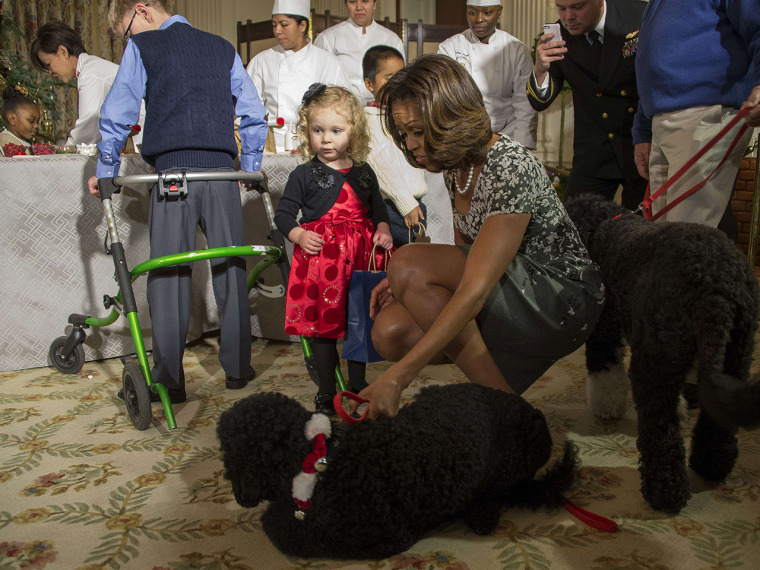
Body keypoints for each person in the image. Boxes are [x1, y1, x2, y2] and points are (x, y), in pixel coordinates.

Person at [353, 54, 604, 419]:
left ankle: (506, 411)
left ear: (451, 116)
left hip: (562, 298)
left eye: (419, 131)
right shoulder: (457, 165)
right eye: (404, 133)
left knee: (406, 262)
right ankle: (499, 394)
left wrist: (399, 377)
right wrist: (408, 285)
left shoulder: (509, 164)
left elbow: (473, 289)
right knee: (389, 331)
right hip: (516, 291)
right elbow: (465, 253)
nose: (411, 145)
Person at [86, 0, 268, 403]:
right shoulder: (223, 48)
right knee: (230, 266)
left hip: (172, 175)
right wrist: (251, 168)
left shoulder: (144, 48)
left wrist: (106, 169)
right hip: (223, 174)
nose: (129, 40)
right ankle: (238, 369)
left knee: (168, 276)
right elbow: (254, 114)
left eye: (127, 32)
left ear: (143, 9)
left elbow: (118, 115)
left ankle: (169, 381)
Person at [274, 84, 393, 415]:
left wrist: (382, 229)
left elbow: (378, 210)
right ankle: (326, 392)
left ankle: (358, 386)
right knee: (323, 328)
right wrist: (298, 235)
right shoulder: (303, 174)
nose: (326, 139)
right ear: (307, 131)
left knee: (359, 320)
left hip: (358, 259)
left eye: (335, 130)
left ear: (352, 132)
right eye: (318, 130)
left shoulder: (364, 172)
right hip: (322, 262)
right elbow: (283, 215)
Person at [631, 0, 760, 229]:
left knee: (685, 239)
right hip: (661, 121)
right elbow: (649, 66)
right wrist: (642, 130)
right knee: (661, 240)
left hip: (705, 114)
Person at [527, 0, 647, 211]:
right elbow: (539, 101)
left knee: (640, 231)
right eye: (561, 8)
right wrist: (540, 69)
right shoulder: (559, 37)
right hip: (594, 149)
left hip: (641, 143)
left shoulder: (640, 15)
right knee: (573, 230)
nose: (568, 17)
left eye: (577, 7)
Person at [247, 0, 352, 153]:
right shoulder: (261, 61)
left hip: (314, 146)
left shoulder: (328, 62)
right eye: (274, 25)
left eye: (284, 25)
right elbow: (250, 110)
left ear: (302, 25)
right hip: (271, 148)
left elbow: (344, 110)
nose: (277, 31)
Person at [437, 1, 537, 149]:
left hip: (507, 136)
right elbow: (445, 99)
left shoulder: (517, 49)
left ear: (499, 12)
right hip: (463, 136)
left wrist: (522, 147)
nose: (478, 19)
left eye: (487, 12)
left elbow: (525, 103)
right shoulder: (450, 47)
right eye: (472, 12)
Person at [31, 20, 145, 146]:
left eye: (49, 64)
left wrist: (65, 152)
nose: (51, 72)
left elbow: (89, 124)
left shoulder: (90, 73)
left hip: (142, 139)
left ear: (63, 51)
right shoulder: (89, 68)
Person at [362, 45, 428, 248]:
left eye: (402, 76)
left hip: (414, 204)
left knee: (413, 263)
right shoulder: (368, 119)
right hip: (393, 205)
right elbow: (380, 166)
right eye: (389, 77)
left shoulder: (404, 116)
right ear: (370, 84)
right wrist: (405, 203)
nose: (397, 84)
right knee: (397, 263)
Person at [315, 0, 404, 105]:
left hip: (383, 108)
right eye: (352, 2)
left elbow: (400, 81)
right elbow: (318, 80)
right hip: (341, 108)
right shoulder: (328, 38)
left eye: (365, 1)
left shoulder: (391, 39)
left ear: (374, 4)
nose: (359, 7)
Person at [0, 85, 40, 154]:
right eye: (31, 121)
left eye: (37, 121)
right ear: (12, 119)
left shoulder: (19, 140)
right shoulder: (7, 142)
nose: (36, 125)